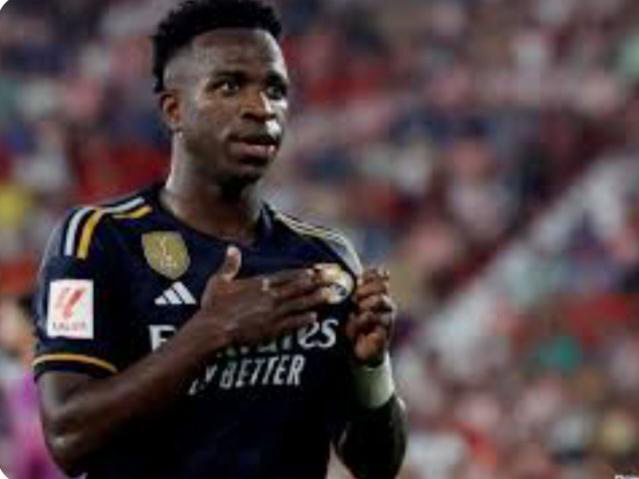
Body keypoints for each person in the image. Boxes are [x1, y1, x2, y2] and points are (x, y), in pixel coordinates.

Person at [32, 1, 407, 477]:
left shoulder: (322, 258)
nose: (261, 108)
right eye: (229, 86)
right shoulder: (99, 241)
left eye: (275, 90)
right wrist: (211, 333)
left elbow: (377, 465)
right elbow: (68, 437)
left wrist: (371, 369)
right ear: (174, 109)